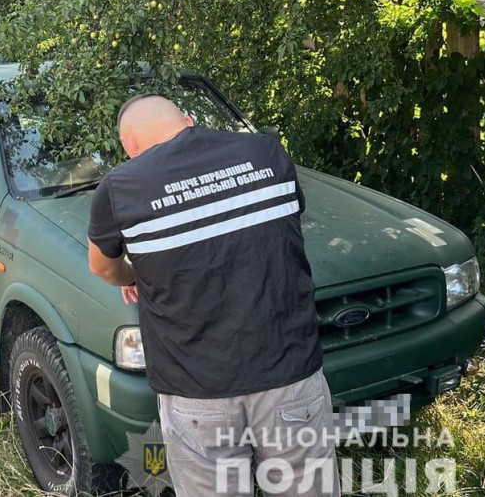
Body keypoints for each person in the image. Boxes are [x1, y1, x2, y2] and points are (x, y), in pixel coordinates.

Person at [87, 95, 338, 496]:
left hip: (196, 393)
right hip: (290, 377)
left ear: (130, 146)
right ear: (188, 121)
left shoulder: (120, 188)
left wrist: (132, 275)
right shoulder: (265, 152)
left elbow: (101, 266)